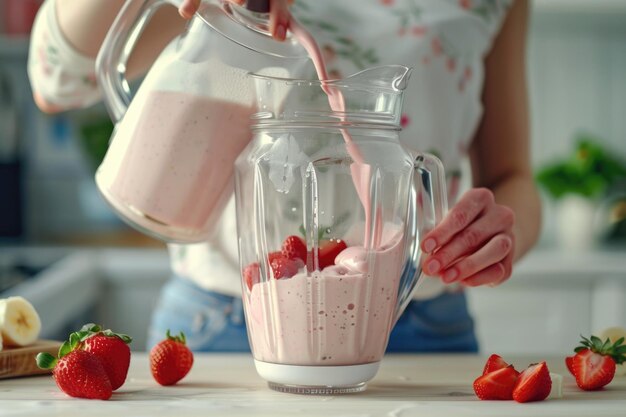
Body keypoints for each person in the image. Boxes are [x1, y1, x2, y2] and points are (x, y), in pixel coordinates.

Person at [28, 0, 540, 352]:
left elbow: (511, 173)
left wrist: (498, 230)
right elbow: (57, 79)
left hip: (425, 324)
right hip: (228, 324)